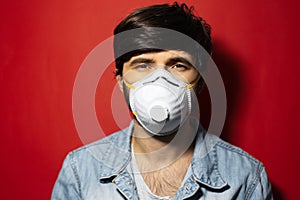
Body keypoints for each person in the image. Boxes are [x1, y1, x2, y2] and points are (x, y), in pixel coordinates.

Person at [52, 2, 273, 199]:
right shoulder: (80, 170)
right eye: (143, 64)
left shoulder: (246, 177)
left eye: (178, 65)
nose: (160, 81)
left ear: (200, 82)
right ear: (121, 81)